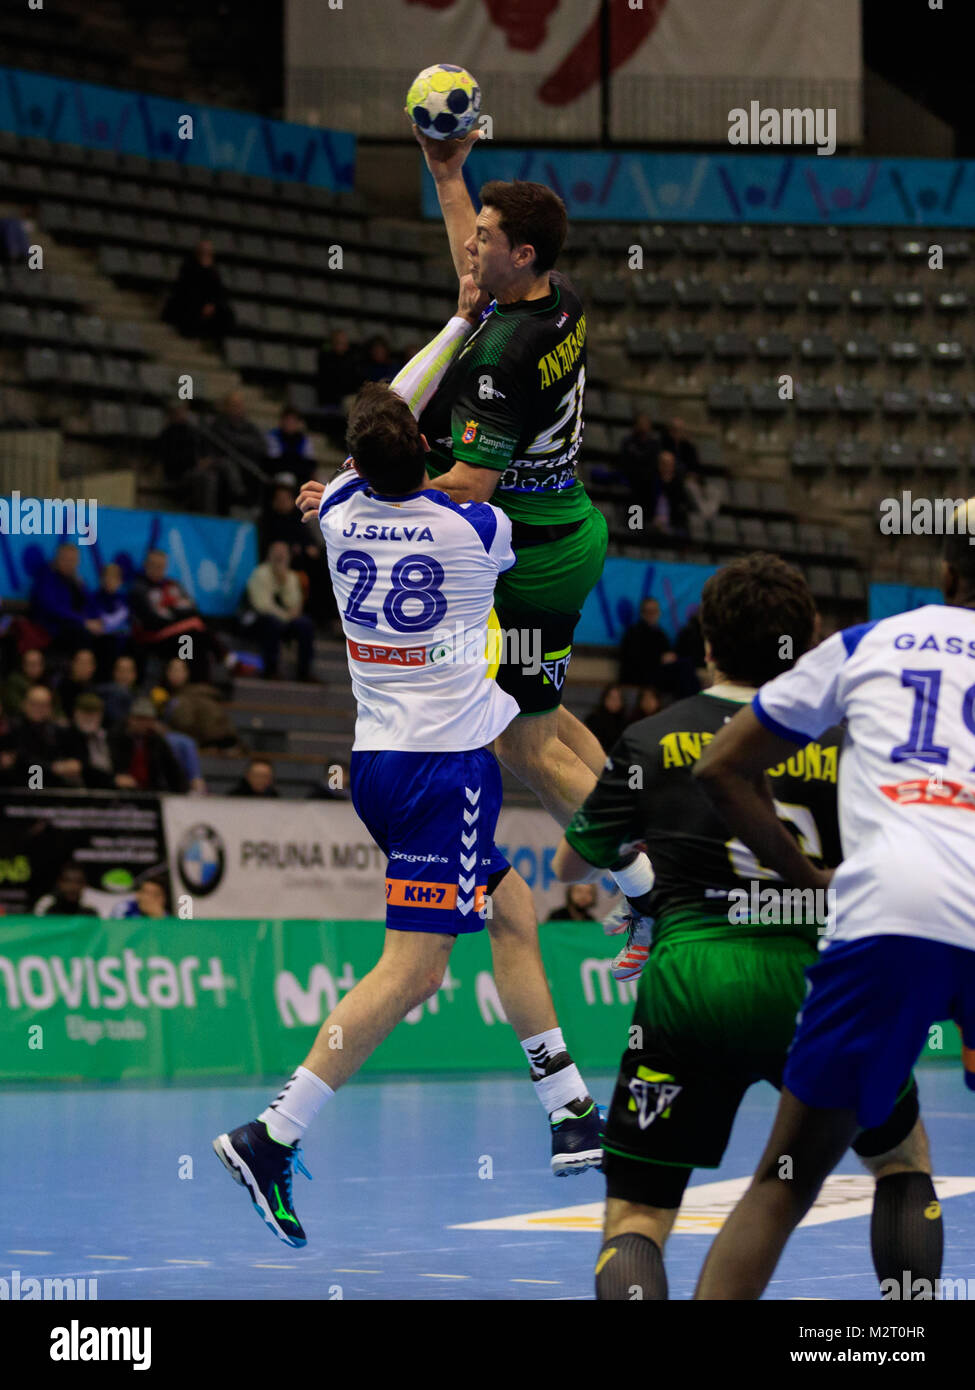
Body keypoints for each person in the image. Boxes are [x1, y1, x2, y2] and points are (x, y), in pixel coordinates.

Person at [214, 382, 603, 1251]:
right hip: (444, 774)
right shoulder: (475, 529)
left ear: (355, 463)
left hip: (377, 766)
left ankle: (570, 1110)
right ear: (426, 452)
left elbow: (374, 457)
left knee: (511, 910)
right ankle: (272, 1134)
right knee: (416, 971)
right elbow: (498, 503)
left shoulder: (337, 510)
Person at [553, 553, 940, 1302]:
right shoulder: (843, 743)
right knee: (899, 1160)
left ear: (705, 644)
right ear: (809, 641)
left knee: (638, 1211)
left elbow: (573, 865)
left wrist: (637, 837)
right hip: (816, 986)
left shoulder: (649, 738)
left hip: (687, 985)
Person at [298, 137, 652, 919]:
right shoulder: (556, 293)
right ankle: (648, 830)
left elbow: (468, 484)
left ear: (520, 254)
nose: (471, 243)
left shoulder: (499, 355)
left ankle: (653, 891)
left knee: (523, 748)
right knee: (546, 717)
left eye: (485, 235)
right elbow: (477, 269)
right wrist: (446, 175)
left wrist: (367, 483)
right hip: (562, 526)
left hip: (530, 555)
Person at [690, 516, 975, 1301]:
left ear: (944, 578)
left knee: (783, 1183)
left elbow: (720, 768)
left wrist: (808, 876)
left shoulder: (869, 643)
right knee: (903, 1160)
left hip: (890, 908)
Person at [129, 548, 223, 682]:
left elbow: (192, 608)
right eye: (153, 565)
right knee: (193, 633)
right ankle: (221, 658)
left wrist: (170, 610)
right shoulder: (139, 589)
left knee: (194, 637)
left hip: (178, 635)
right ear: (146, 565)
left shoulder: (172, 585)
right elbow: (152, 620)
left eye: (161, 566)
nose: (157, 569)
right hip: (153, 639)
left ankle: (200, 684)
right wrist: (176, 610)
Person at [246, 541, 316, 681]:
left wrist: (282, 580)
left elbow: (295, 604)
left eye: (283, 554)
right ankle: (270, 670)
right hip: (260, 620)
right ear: (269, 555)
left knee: (305, 624)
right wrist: (286, 616)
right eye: (277, 554)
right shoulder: (260, 573)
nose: (280, 556)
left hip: (285, 619)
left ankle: (304, 672)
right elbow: (262, 606)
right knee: (272, 623)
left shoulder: (291, 577)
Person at [154, 657, 237, 751]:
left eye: (179, 670)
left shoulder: (190, 697)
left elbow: (185, 725)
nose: (175, 674)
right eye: (172, 670)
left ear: (187, 673)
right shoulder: (160, 694)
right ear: (166, 673)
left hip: (204, 744)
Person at [109, 696, 188, 793]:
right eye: (139, 719)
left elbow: (172, 769)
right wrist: (115, 777)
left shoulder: (156, 740)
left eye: (148, 720)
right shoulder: (115, 737)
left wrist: (183, 791)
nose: (143, 724)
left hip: (150, 792)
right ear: (130, 719)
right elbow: (107, 765)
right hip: (120, 792)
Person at [162, 238, 234, 343]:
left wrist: (212, 304)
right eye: (203, 251)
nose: (206, 253)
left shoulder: (214, 270)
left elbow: (218, 290)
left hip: (209, 303)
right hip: (191, 300)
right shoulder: (189, 266)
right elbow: (184, 287)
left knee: (225, 313)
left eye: (208, 251)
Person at [30, 543, 98, 653]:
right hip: (52, 628)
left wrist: (97, 620)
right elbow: (53, 608)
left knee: (107, 637)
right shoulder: (46, 577)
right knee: (80, 634)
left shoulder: (76, 580)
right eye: (65, 559)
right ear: (57, 559)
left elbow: (90, 604)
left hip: (75, 625)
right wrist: (83, 621)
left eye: (73, 560)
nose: (69, 563)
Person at [8, 685, 81, 787]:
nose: (38, 709)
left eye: (43, 705)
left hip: (53, 787)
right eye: (33, 704)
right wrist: (53, 767)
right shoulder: (13, 728)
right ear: (24, 704)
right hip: (21, 787)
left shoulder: (57, 730)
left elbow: (72, 754)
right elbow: (21, 758)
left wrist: (73, 763)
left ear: (50, 708)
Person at [61, 692, 117, 789]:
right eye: (85, 713)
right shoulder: (66, 735)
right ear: (75, 713)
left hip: (110, 791)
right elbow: (82, 767)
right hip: (81, 791)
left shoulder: (107, 736)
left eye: (94, 714)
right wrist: (113, 779)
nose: (89, 718)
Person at [618, 598, 676, 688]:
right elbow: (634, 660)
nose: (652, 614)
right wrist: (660, 659)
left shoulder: (661, 634)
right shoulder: (633, 633)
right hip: (638, 677)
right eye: (648, 611)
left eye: (655, 611)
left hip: (658, 675)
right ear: (642, 613)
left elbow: (668, 655)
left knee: (684, 667)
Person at [84, 563, 130, 673]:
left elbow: (128, 628)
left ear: (120, 581)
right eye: (107, 577)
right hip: (102, 644)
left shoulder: (124, 600)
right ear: (101, 579)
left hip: (122, 643)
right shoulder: (93, 599)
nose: (110, 580)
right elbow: (93, 626)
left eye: (114, 577)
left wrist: (108, 628)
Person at [618, 412, 660, 509]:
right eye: (640, 424)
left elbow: (654, 463)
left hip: (649, 479)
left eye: (645, 424)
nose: (643, 427)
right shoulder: (628, 442)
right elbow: (625, 462)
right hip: (631, 477)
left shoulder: (654, 444)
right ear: (636, 425)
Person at [266, 408, 317, 489]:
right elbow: (274, 462)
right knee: (287, 478)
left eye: (293, 421)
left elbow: (310, 463)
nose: (290, 424)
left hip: (300, 475)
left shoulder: (304, 440)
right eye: (288, 421)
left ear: (298, 423)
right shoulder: (273, 436)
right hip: (280, 474)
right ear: (281, 422)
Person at [1, 647, 59, 717]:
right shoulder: (14, 682)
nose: (35, 668)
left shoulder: (47, 681)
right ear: (23, 665)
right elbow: (15, 706)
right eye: (31, 664)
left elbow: (56, 707)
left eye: (38, 664)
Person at [34, 863, 99, 918]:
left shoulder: (90, 913)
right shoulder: (47, 909)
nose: (73, 887)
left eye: (78, 882)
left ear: (85, 884)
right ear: (59, 883)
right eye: (67, 881)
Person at [649, 450, 690, 536]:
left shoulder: (680, 487)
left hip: (674, 528)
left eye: (669, 464)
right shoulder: (650, 484)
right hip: (652, 527)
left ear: (673, 466)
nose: (666, 467)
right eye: (664, 463)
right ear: (659, 465)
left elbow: (682, 512)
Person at [98, 653, 142, 729]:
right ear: (114, 673)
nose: (124, 675)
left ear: (134, 674)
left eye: (128, 671)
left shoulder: (141, 696)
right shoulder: (101, 692)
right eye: (121, 670)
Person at [56, 647, 98, 720]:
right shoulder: (62, 688)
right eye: (81, 663)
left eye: (88, 663)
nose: (84, 667)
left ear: (94, 667)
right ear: (72, 664)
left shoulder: (96, 690)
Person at [584, 684, 628, 752]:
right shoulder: (593, 720)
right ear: (604, 699)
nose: (615, 702)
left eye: (618, 698)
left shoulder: (626, 722)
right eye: (612, 698)